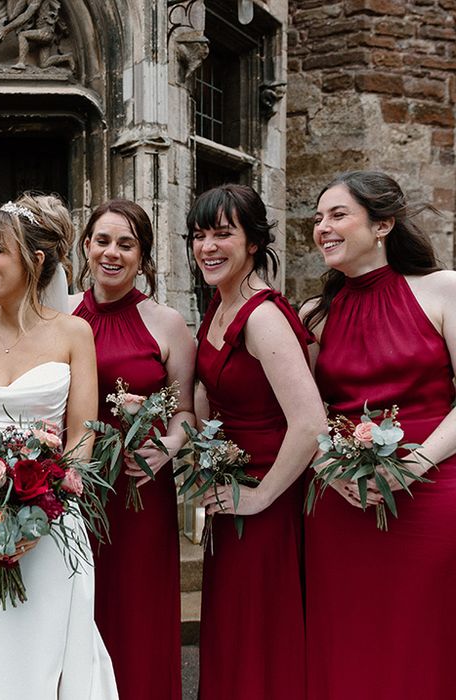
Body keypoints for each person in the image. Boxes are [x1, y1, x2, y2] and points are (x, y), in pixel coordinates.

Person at [0, 194, 118, 700]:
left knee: (41, 657)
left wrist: (48, 504)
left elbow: (83, 432)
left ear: (33, 261)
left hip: (50, 525)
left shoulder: (74, 333)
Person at [301, 171, 456, 700]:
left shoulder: (443, 289)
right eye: (318, 218)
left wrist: (412, 465)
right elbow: (305, 415)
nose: (322, 227)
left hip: (432, 492)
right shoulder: (315, 315)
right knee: (347, 637)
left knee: (422, 635)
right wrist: (329, 468)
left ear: (383, 223)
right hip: (343, 501)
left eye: (337, 215)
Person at [188, 184, 326, 700]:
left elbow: (310, 423)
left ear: (252, 243)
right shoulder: (219, 305)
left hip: (269, 498)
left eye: (223, 233)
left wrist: (260, 496)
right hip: (230, 489)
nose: (208, 246)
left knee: (260, 630)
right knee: (233, 626)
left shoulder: (263, 316)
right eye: (200, 235)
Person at [69, 198, 194, 699]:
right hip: (77, 489)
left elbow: (186, 409)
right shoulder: (62, 317)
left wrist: (167, 445)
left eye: (126, 244)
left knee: (139, 609)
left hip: (141, 486)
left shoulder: (167, 323)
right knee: (82, 606)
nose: (112, 253)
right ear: (86, 246)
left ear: (143, 256)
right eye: (103, 241)